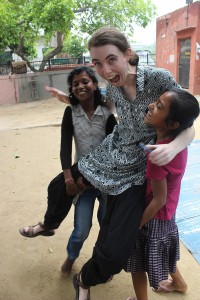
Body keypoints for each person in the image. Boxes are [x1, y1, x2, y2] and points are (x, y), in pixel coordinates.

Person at [54, 27, 195, 300]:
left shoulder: (158, 79)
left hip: (155, 170)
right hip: (127, 166)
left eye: (111, 59)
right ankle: (175, 282)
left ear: (128, 55)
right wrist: (69, 99)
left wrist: (174, 147)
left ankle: (110, 277)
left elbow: (187, 119)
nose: (105, 70)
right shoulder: (113, 90)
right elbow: (103, 106)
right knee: (151, 237)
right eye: (97, 63)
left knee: (147, 237)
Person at [19, 66, 117, 276]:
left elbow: (113, 152)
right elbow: (65, 147)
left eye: (85, 81)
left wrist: (87, 181)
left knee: (106, 227)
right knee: (81, 231)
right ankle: (71, 257)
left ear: (95, 84)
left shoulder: (107, 114)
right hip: (81, 178)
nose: (80, 86)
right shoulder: (70, 112)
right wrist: (68, 179)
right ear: (71, 90)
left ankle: (102, 266)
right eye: (75, 84)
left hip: (107, 182)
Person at [125, 88, 200, 300]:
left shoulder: (158, 156)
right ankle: (179, 283)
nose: (151, 106)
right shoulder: (176, 146)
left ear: (172, 124)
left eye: (159, 106)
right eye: (155, 101)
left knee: (138, 260)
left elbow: (159, 199)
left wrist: (137, 223)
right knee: (163, 251)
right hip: (168, 213)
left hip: (154, 216)